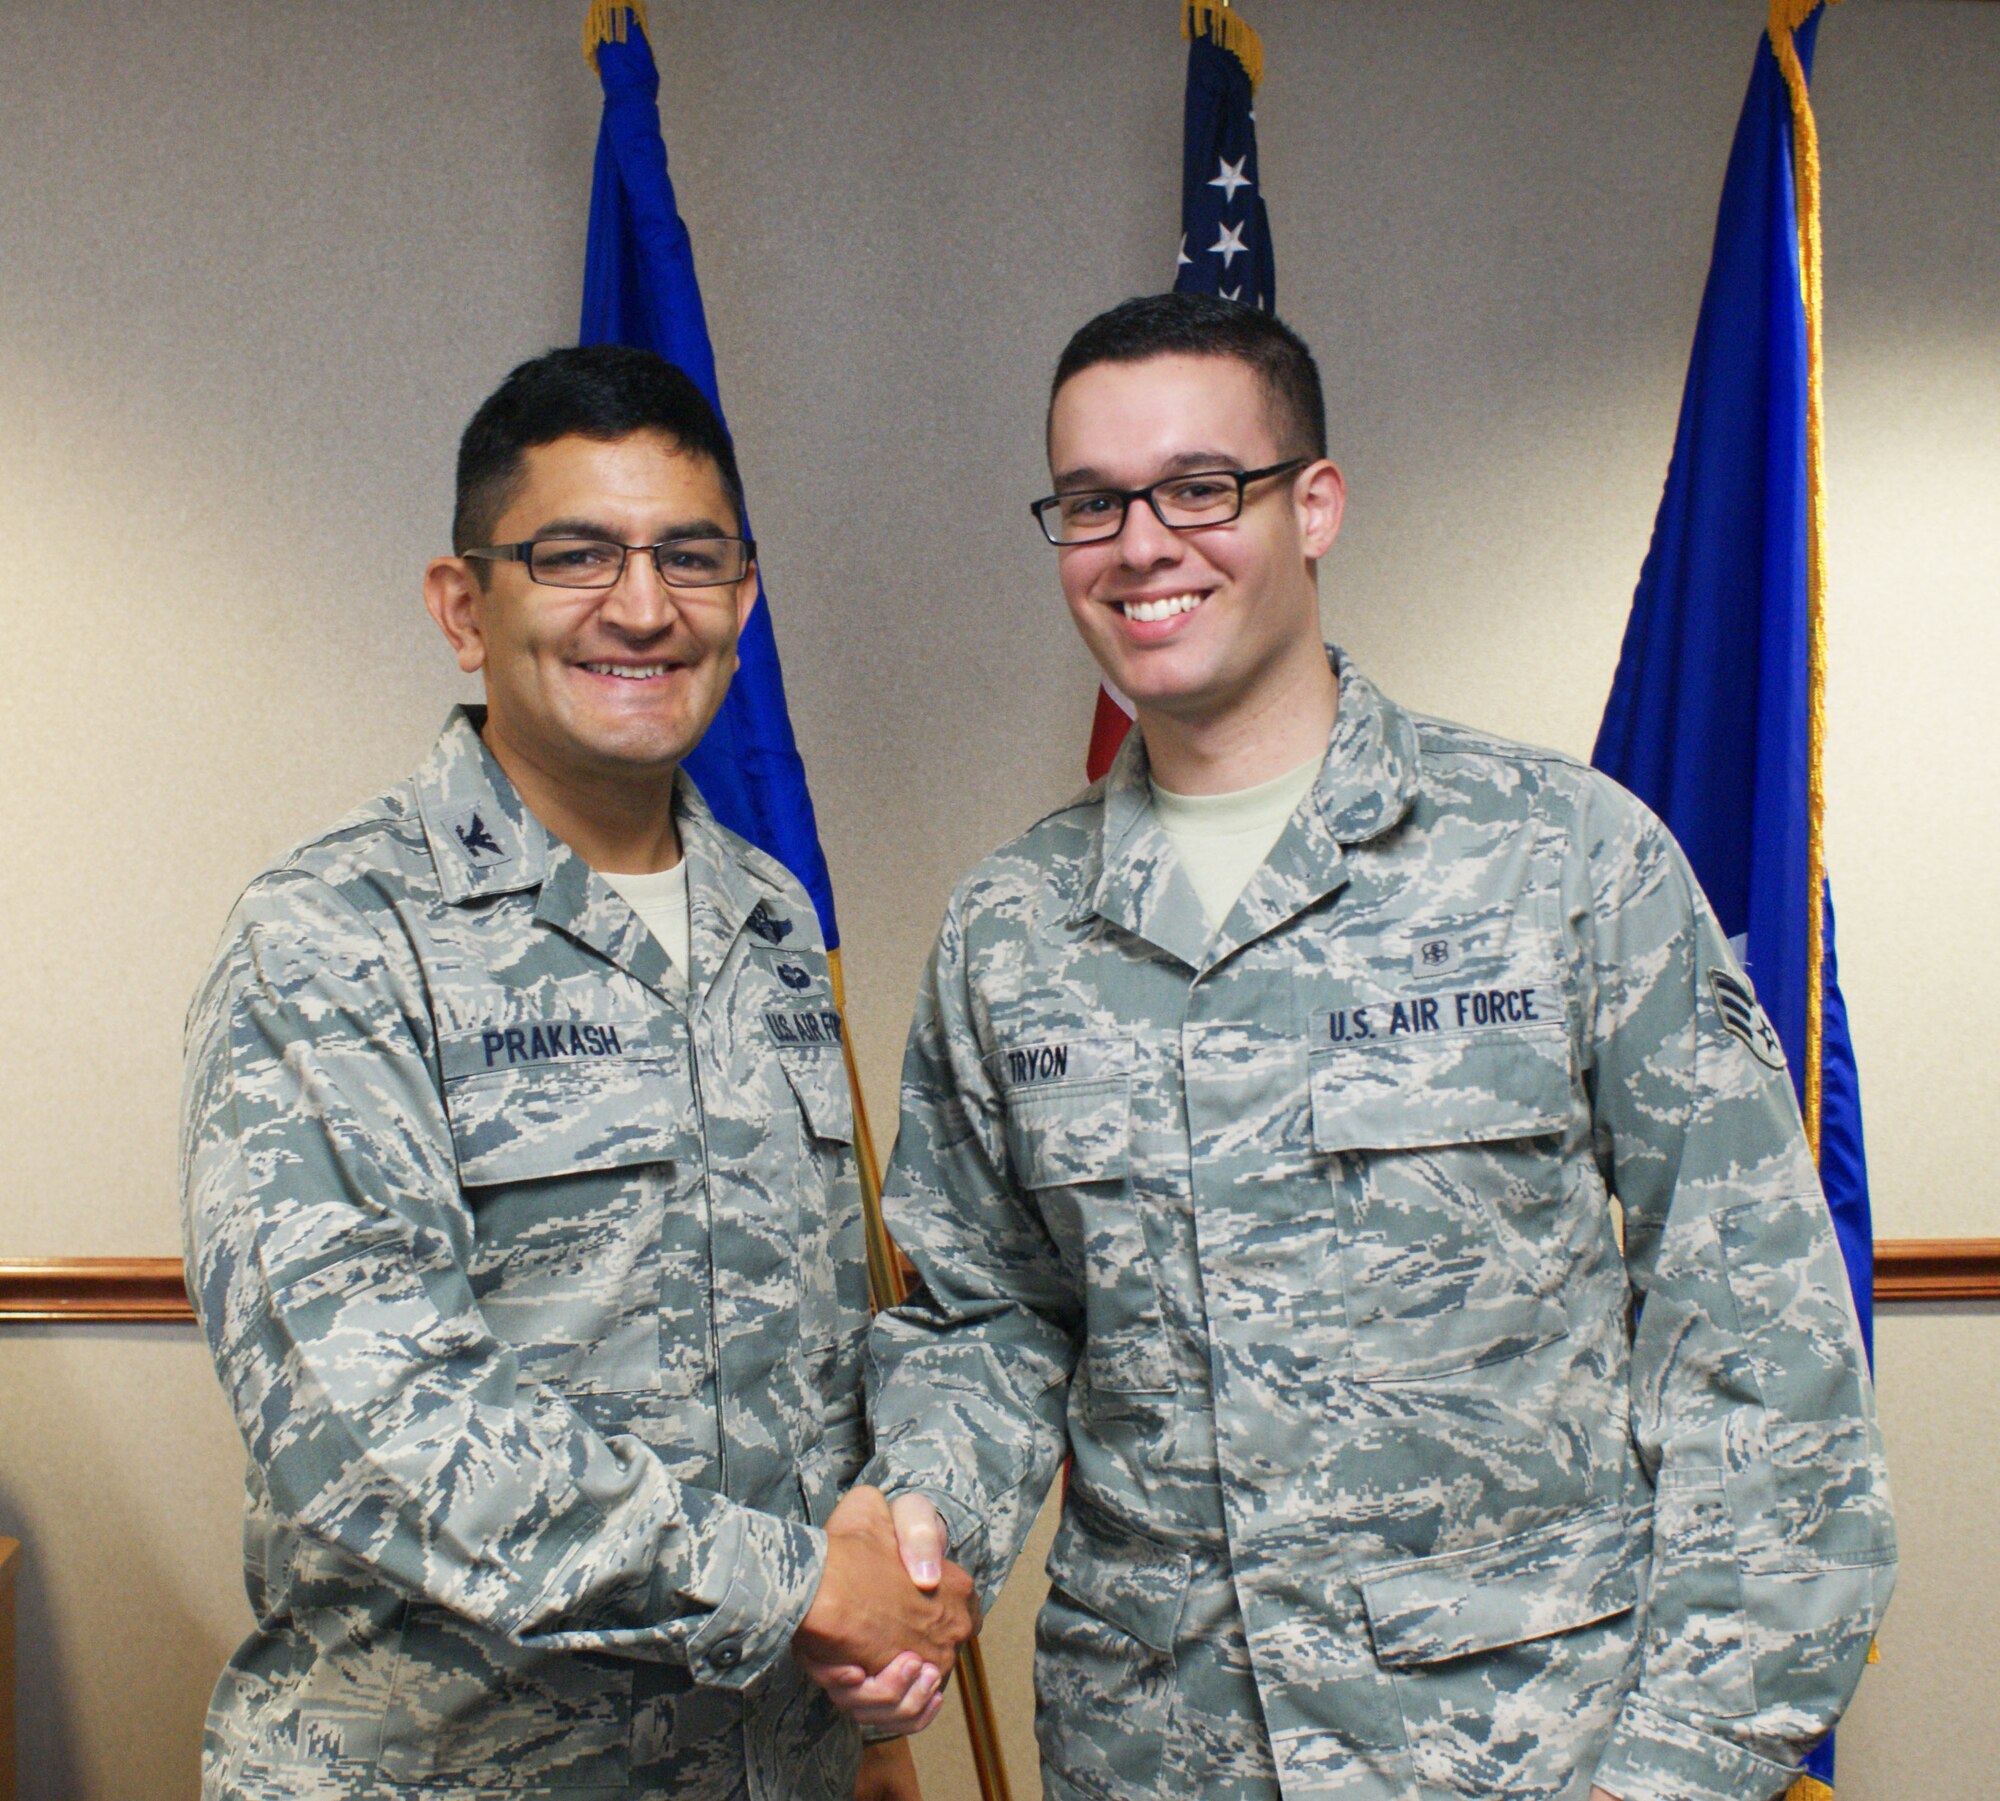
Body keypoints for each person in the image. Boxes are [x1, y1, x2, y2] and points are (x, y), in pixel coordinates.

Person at [832, 293, 1896, 1801]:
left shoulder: (1566, 861)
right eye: (1090, 502)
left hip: (1531, 1752)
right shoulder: (1011, 928)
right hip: (1157, 1752)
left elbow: (1759, 1337)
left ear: (1314, 503)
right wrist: (918, 1536)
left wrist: (1680, 1763)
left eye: (1202, 487)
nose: (1143, 542)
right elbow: (987, 1320)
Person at [180, 343, 973, 1801]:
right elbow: (370, 1424)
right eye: (574, 554)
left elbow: (819, 1342)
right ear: (461, 604)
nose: (643, 605)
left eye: (692, 556)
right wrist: (799, 1586)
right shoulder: (335, 936)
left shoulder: (773, 921)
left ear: (743, 595)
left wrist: (863, 1694)